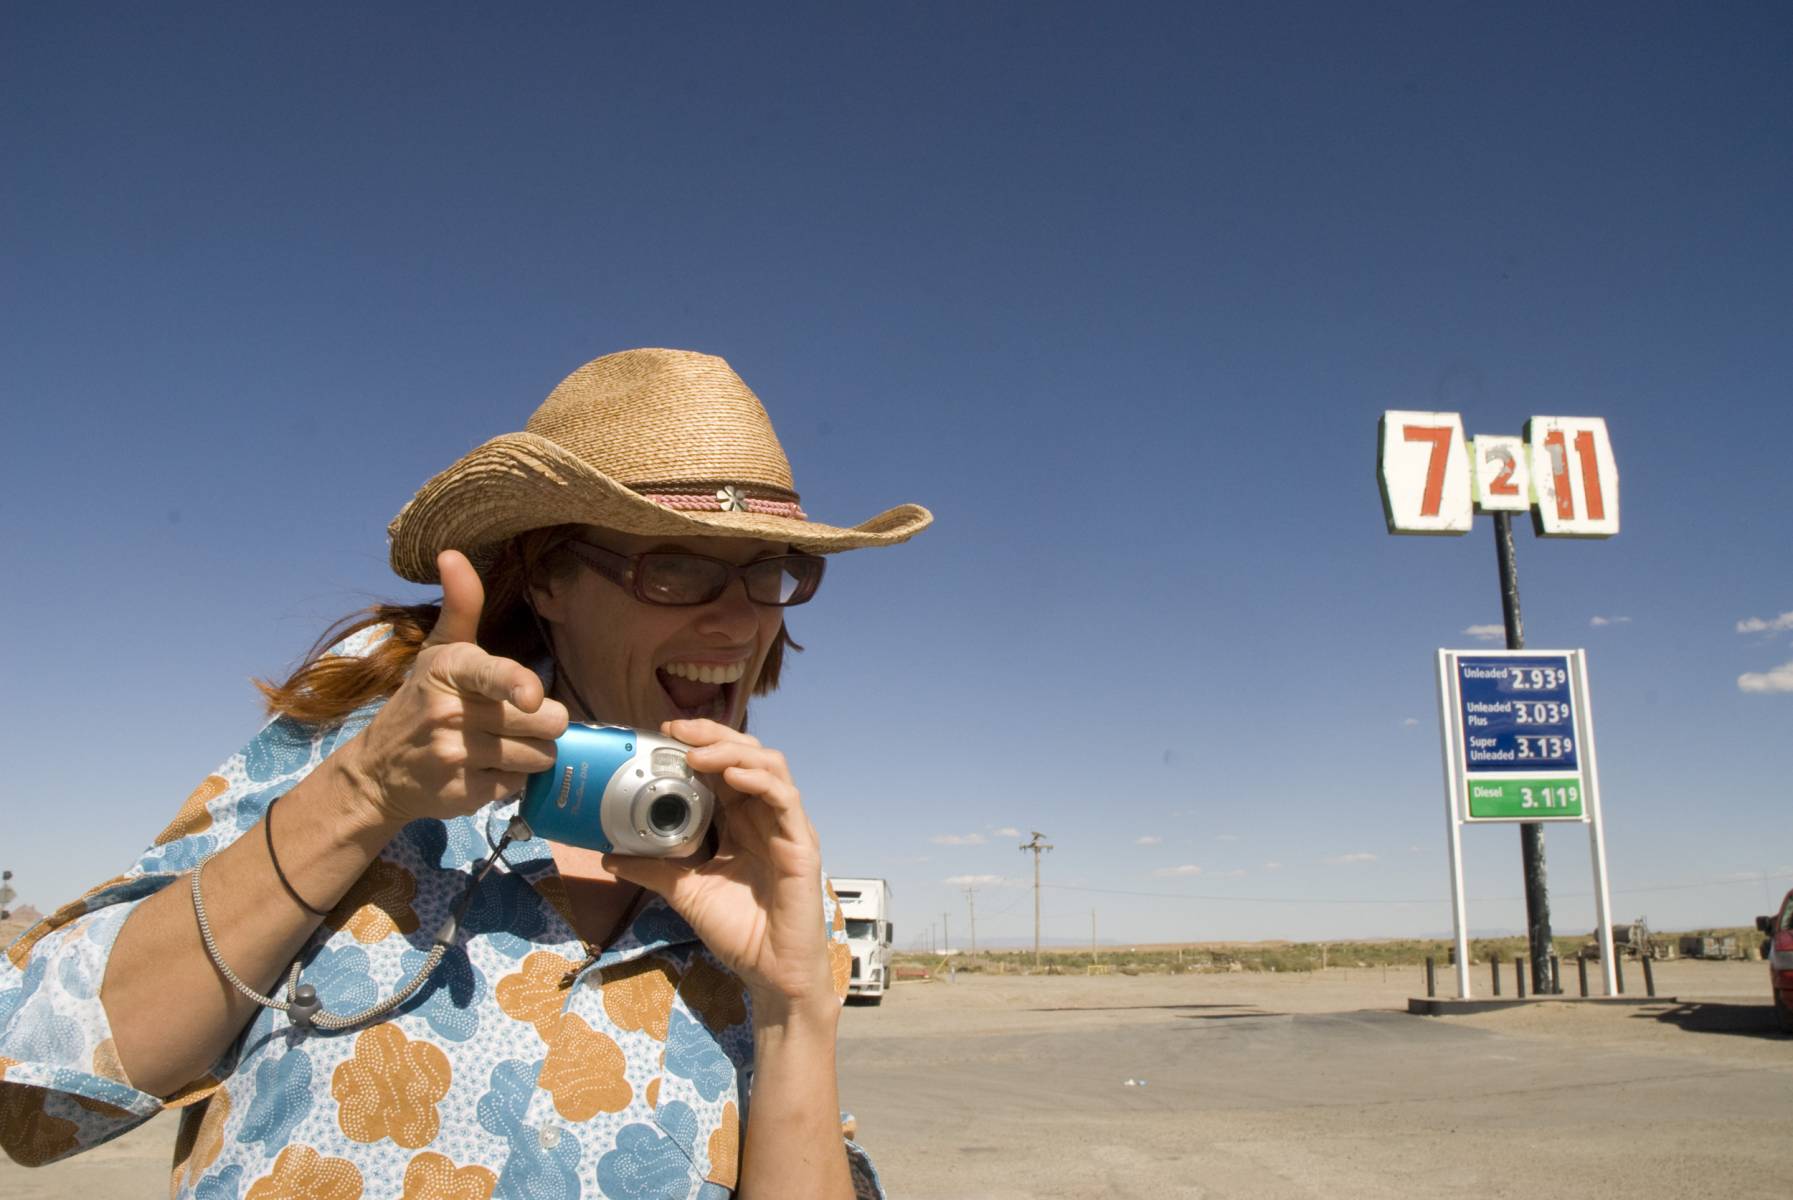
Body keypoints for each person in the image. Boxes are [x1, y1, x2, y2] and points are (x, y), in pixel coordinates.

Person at [0, 348, 930, 1199]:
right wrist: (362, 795)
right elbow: (39, 1100)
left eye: (766, 572)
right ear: (547, 581)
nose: (737, 623)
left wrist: (796, 1006)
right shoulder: (376, 736)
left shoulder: (751, 876)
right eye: (676, 567)